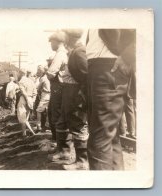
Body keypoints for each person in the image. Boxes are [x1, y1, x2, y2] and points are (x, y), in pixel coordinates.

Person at [86, 29, 136, 170]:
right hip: (98, 67)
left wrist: (128, 56)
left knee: (99, 139)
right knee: (109, 136)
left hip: (109, 66)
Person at [50, 29, 89, 170]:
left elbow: (87, 77)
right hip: (67, 91)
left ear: (69, 36)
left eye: (64, 35)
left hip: (75, 93)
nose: (62, 38)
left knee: (78, 124)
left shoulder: (79, 52)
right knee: (62, 122)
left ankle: (82, 162)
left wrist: (81, 95)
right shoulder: (73, 51)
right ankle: (64, 152)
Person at [46, 31, 68, 144]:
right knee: (56, 114)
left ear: (57, 42)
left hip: (58, 87)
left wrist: (46, 71)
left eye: (51, 42)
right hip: (61, 87)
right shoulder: (64, 53)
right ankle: (58, 141)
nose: (51, 45)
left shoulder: (59, 54)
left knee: (56, 114)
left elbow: (50, 74)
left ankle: (59, 143)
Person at [17, 68, 37, 136]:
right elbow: (35, 92)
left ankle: (24, 134)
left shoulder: (21, 81)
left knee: (22, 117)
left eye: (18, 73)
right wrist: (32, 101)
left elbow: (23, 92)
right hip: (31, 99)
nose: (18, 74)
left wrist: (27, 99)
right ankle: (30, 133)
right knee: (26, 118)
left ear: (21, 73)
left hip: (24, 99)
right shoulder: (31, 81)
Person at [35, 65, 51, 132]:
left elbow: (38, 88)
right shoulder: (50, 77)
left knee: (39, 110)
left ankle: (38, 126)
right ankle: (47, 125)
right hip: (51, 94)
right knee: (48, 111)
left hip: (45, 94)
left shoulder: (43, 78)